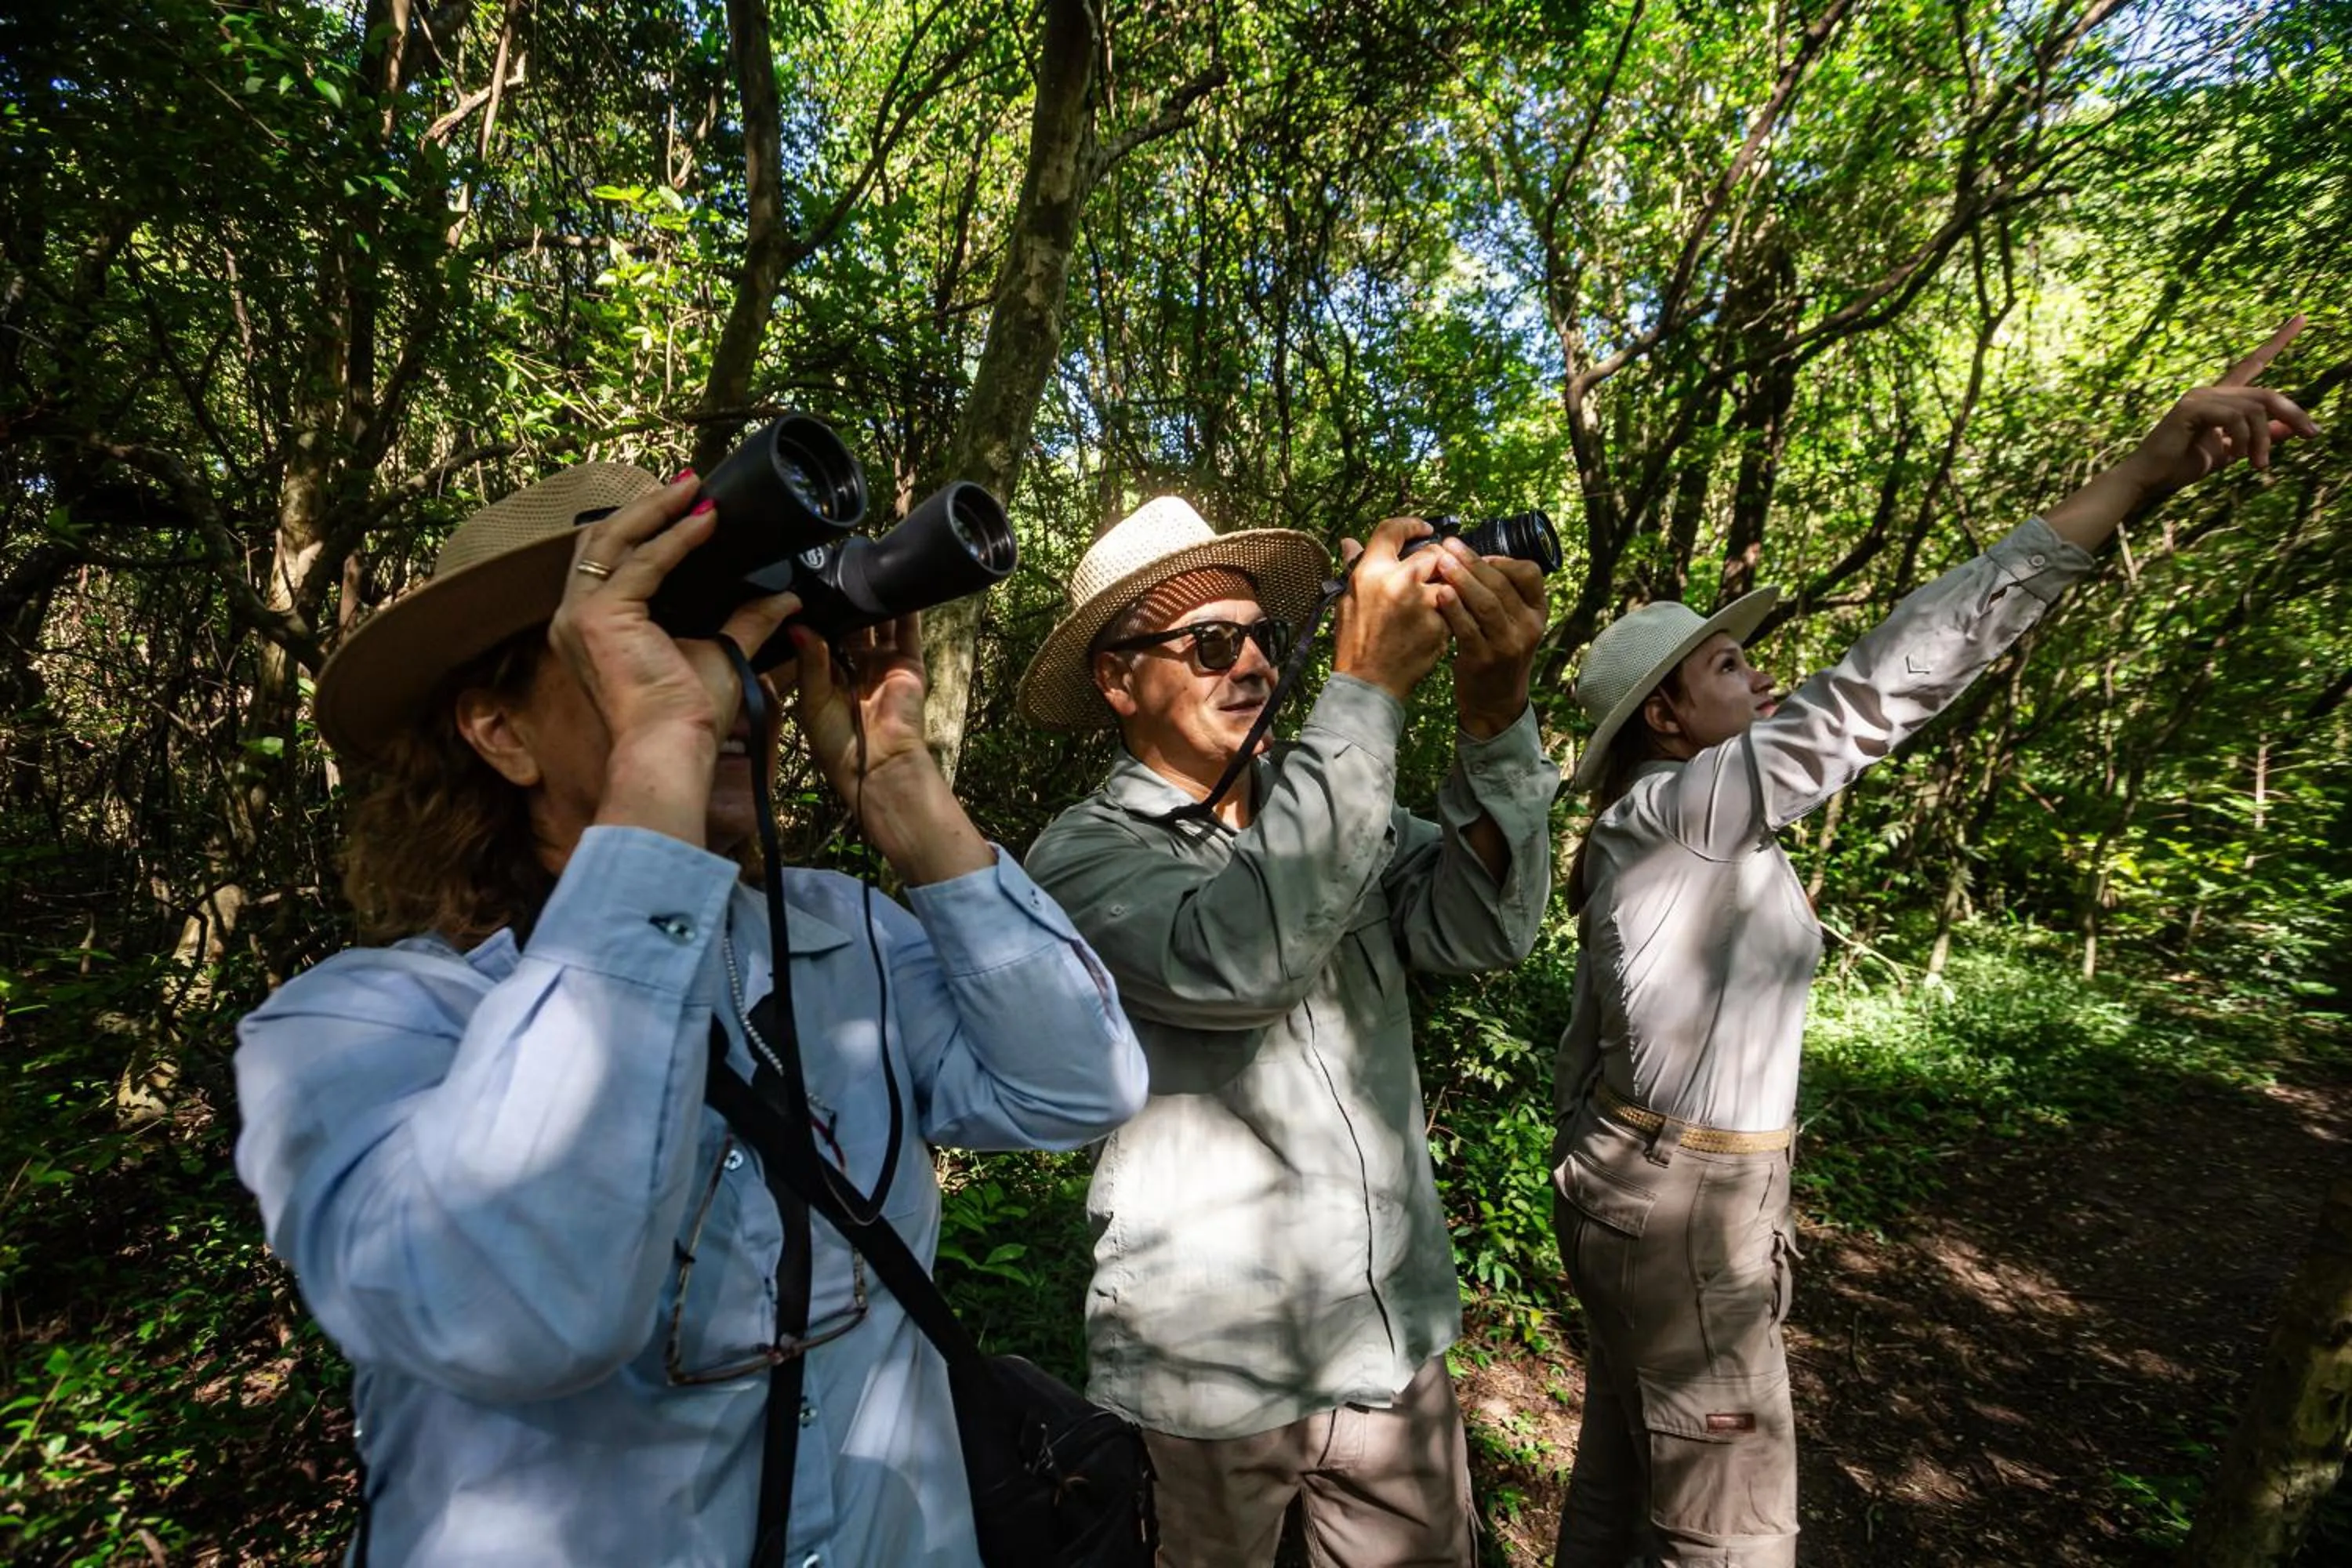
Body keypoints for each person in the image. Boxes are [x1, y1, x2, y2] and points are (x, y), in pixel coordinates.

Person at [234, 463, 1149, 1566]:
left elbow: (1076, 1086)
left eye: (745, 644)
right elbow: (531, 1312)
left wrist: (900, 785)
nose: (729, 690)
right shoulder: (351, 1032)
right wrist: (659, 755)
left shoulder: (837, 936)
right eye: (649, 647)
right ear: (498, 732)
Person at [1548, 319, 2319, 1567]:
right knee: (1728, 1531)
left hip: (1646, 1183)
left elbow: (1594, 1041)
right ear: (1671, 716)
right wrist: (2130, 482)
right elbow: (1882, 688)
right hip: (1684, 1205)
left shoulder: (1670, 830)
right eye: (1734, 666)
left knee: (1629, 1464)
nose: (1766, 678)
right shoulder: (1681, 810)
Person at [1017, 495, 1560, 1566]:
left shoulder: (1328, 809)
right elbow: (1242, 960)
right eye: (1212, 643)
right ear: (1120, 680)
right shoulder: (1076, 860)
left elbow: (1482, 928)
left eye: (1264, 636)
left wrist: (1494, 712)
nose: (1254, 664)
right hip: (1212, 1370)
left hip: (1386, 1340)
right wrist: (1362, 692)